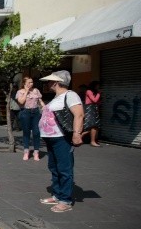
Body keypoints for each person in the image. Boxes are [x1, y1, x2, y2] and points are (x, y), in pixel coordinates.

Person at [38, 70, 84, 213]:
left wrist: (76, 134)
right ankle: (57, 195)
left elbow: (79, 114)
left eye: (50, 81)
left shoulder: (70, 95)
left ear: (57, 82)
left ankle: (65, 200)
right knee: (54, 167)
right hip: (51, 138)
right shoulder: (56, 97)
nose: (48, 83)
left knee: (64, 169)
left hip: (62, 138)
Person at [16, 76, 44, 161]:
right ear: (24, 83)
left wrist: (45, 107)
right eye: (29, 82)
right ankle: (26, 151)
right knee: (26, 132)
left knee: (36, 132)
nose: (31, 84)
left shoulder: (36, 90)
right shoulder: (20, 92)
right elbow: (21, 102)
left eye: (32, 82)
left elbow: (40, 101)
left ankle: (36, 152)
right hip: (25, 112)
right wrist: (26, 91)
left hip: (35, 112)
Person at [85, 80, 102, 147]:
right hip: (90, 109)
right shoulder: (89, 91)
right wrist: (99, 93)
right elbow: (94, 100)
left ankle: (93, 140)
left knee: (95, 126)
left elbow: (96, 102)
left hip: (94, 109)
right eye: (97, 85)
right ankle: (92, 141)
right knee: (93, 125)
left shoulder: (94, 92)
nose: (98, 87)